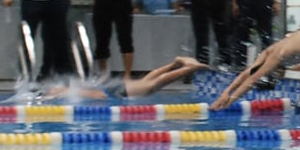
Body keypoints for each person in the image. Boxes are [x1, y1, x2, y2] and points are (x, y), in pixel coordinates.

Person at [46, 57, 210, 100]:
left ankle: (189, 68)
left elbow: (97, 95)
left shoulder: (65, 92)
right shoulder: (66, 90)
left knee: (152, 85)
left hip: (114, 92)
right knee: (147, 81)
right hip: (114, 89)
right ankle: (175, 63)